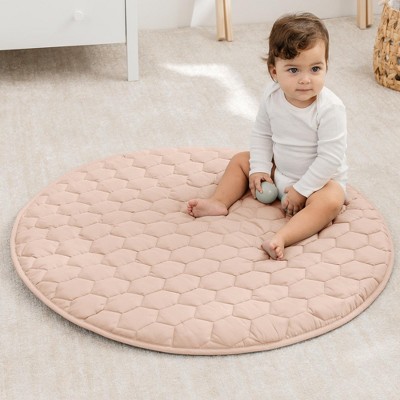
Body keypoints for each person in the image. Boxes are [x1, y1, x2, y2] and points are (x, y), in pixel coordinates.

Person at [187, 12, 348, 260]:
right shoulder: (271, 95)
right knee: (241, 160)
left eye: (316, 69)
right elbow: (262, 133)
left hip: (318, 183)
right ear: (274, 71)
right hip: (280, 171)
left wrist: (302, 190)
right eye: (293, 70)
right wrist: (260, 169)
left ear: (326, 65)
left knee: (332, 200)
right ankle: (219, 201)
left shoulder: (330, 108)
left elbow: (330, 159)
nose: (306, 79)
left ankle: (283, 237)